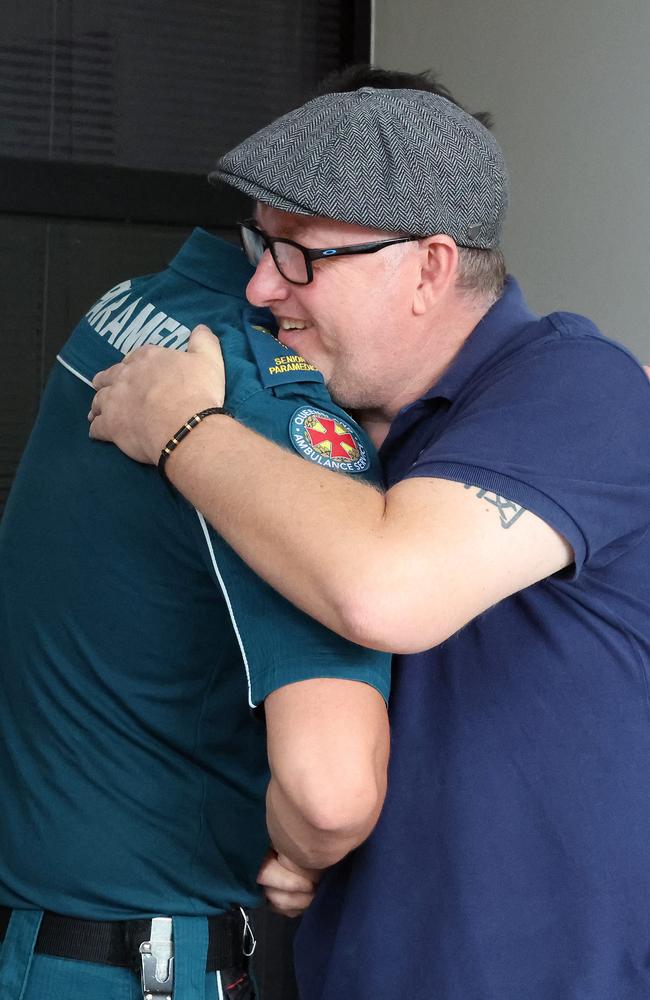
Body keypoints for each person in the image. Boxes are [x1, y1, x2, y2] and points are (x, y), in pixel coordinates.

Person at [88, 67, 650, 1000]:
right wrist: (300, 833)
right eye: (259, 244)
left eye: (303, 254)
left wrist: (184, 432)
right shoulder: (347, 434)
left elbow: (385, 588)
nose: (263, 287)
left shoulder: (579, 389)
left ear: (430, 267)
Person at [0, 227, 392, 1000]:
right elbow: (329, 793)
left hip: (42, 931)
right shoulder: (267, 401)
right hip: (137, 957)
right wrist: (299, 854)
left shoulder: (133, 309)